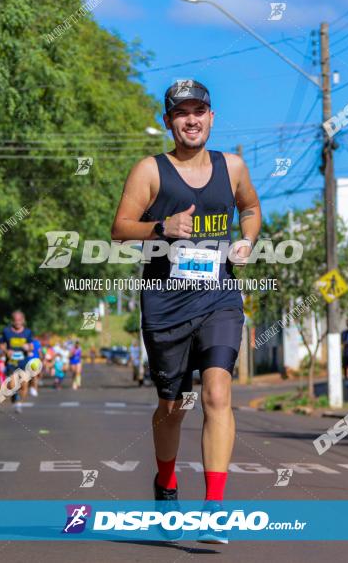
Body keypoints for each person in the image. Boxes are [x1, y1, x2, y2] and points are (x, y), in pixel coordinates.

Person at [110, 80, 260, 544]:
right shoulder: (150, 171)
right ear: (168, 122)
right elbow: (118, 229)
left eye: (199, 110)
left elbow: (251, 208)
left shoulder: (231, 166)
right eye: (181, 113)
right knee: (171, 406)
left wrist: (246, 241)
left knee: (217, 393)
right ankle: (166, 485)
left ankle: (214, 508)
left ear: (211, 117)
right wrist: (162, 225)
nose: (191, 119)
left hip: (218, 297)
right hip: (165, 303)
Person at [0, 310, 33, 413]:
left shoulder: (28, 332)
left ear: (23, 320)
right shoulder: (6, 331)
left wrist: (28, 347)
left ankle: (19, 403)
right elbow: (1, 344)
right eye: (15, 320)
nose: (17, 322)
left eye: (19, 320)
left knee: (24, 386)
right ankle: (14, 395)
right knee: (12, 385)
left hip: (24, 361)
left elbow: (31, 345)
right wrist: (6, 350)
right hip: (11, 362)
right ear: (12, 321)